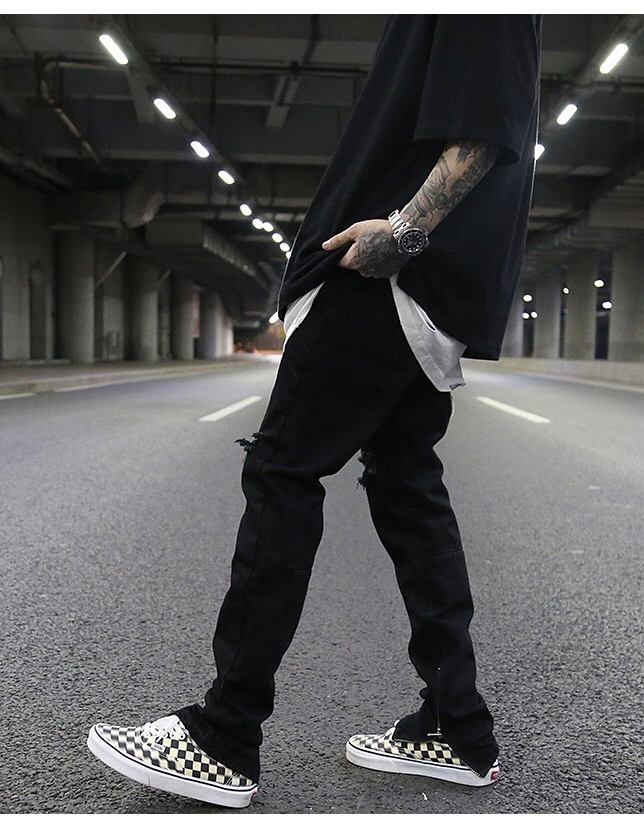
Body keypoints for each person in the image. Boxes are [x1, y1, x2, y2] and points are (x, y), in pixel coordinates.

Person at [87, 14, 542, 809]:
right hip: (423, 288)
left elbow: (484, 131)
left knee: (283, 471)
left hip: (387, 284)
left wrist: (402, 233)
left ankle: (224, 736)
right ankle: (455, 727)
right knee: (405, 485)